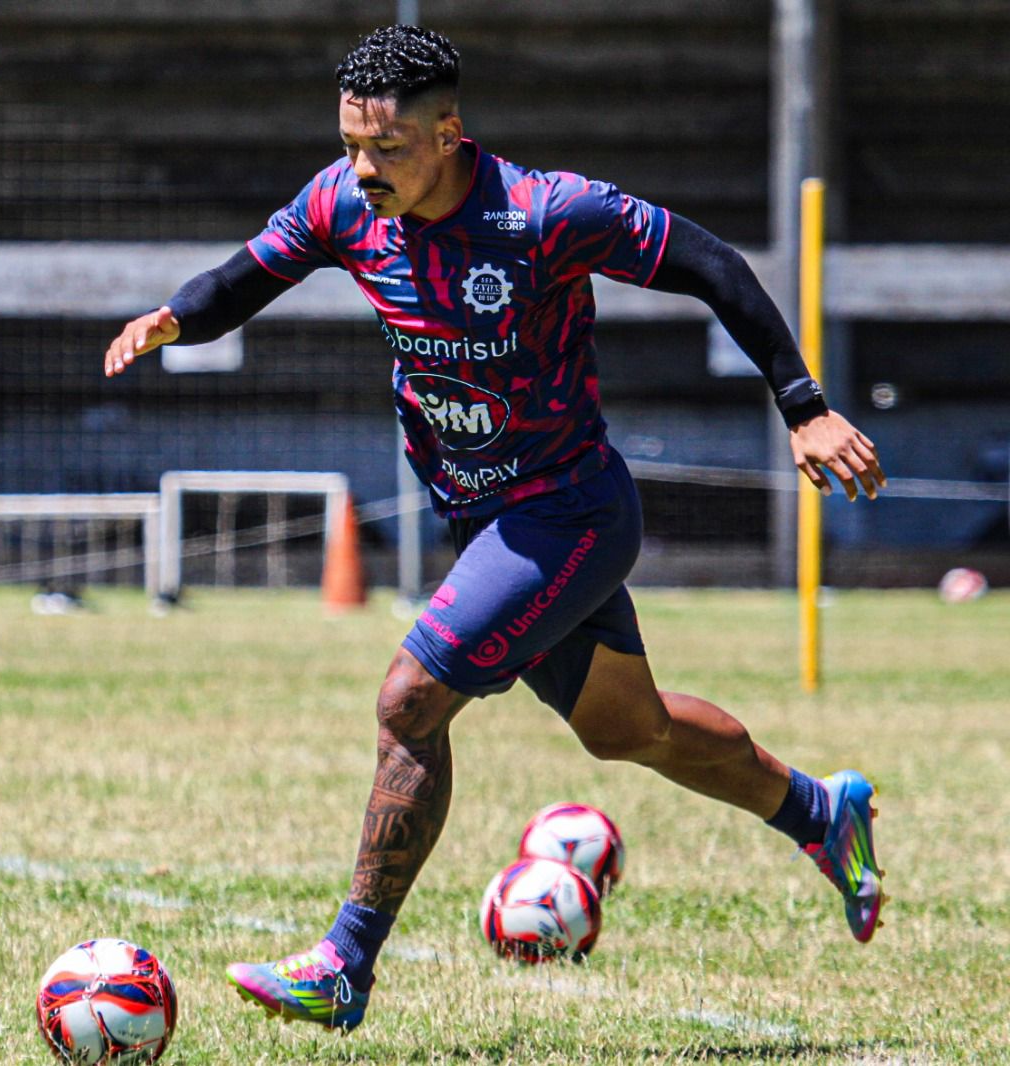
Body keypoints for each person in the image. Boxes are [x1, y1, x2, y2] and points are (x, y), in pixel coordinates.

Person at [103, 27, 886, 1032]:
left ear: (449, 134)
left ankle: (344, 964)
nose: (360, 169)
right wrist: (172, 318)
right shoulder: (346, 203)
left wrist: (804, 403)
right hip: (484, 518)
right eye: (348, 144)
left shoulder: (545, 212)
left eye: (385, 149)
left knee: (409, 699)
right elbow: (248, 275)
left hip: (568, 512)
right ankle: (823, 812)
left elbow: (711, 262)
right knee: (624, 729)